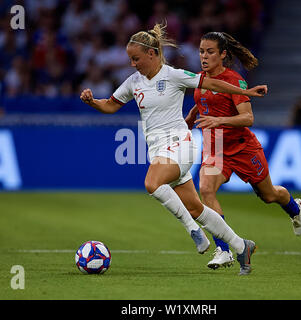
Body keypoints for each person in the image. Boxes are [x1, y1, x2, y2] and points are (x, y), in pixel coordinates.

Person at [80, 23, 267, 275]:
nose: (133, 64)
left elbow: (213, 84)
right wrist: (93, 102)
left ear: (152, 54)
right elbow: (111, 105)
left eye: (136, 59)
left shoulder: (173, 75)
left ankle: (193, 230)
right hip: (159, 150)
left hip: (181, 143)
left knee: (152, 183)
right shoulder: (133, 82)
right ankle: (240, 245)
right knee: (196, 207)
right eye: (130, 60)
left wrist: (248, 92)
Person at [185, 32, 301, 270]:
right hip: (216, 149)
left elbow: (248, 118)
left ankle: (294, 206)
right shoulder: (199, 79)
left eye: (210, 52)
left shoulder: (234, 81)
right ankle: (224, 249)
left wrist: (218, 121)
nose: (204, 56)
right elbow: (204, 103)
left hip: (242, 147)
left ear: (223, 54)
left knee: (269, 195)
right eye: (201, 51)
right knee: (206, 189)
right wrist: (192, 116)